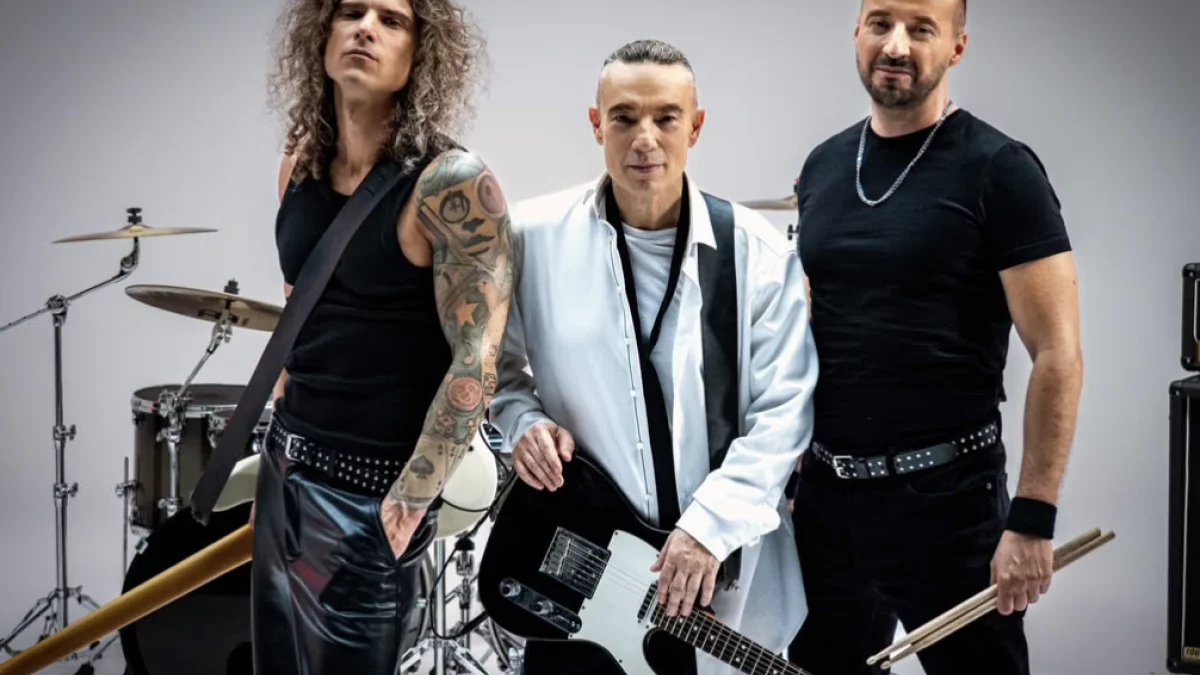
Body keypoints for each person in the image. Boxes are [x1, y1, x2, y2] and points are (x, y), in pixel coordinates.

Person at [489, 39, 819, 675]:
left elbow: (784, 414)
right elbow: (493, 374)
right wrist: (523, 423)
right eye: (624, 117)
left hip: (721, 582)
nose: (645, 138)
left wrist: (708, 529)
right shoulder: (532, 238)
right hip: (583, 574)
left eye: (666, 117)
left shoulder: (756, 252)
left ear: (695, 126)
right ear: (596, 124)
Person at [784, 0, 1083, 674]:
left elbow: (1058, 353)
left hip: (949, 504)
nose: (897, 44)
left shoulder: (1000, 168)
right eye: (881, 23)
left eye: (922, 29)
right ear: (857, 33)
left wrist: (1032, 517)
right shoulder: (823, 166)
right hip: (829, 502)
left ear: (956, 47)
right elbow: (809, 333)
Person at [251, 1, 515, 673]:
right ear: (322, 35)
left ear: (420, 53)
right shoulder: (300, 165)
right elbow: (299, 308)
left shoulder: (450, 184)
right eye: (350, 12)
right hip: (284, 475)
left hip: (369, 499)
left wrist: (403, 509)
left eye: (392, 20)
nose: (366, 27)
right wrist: (279, 437)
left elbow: (477, 360)